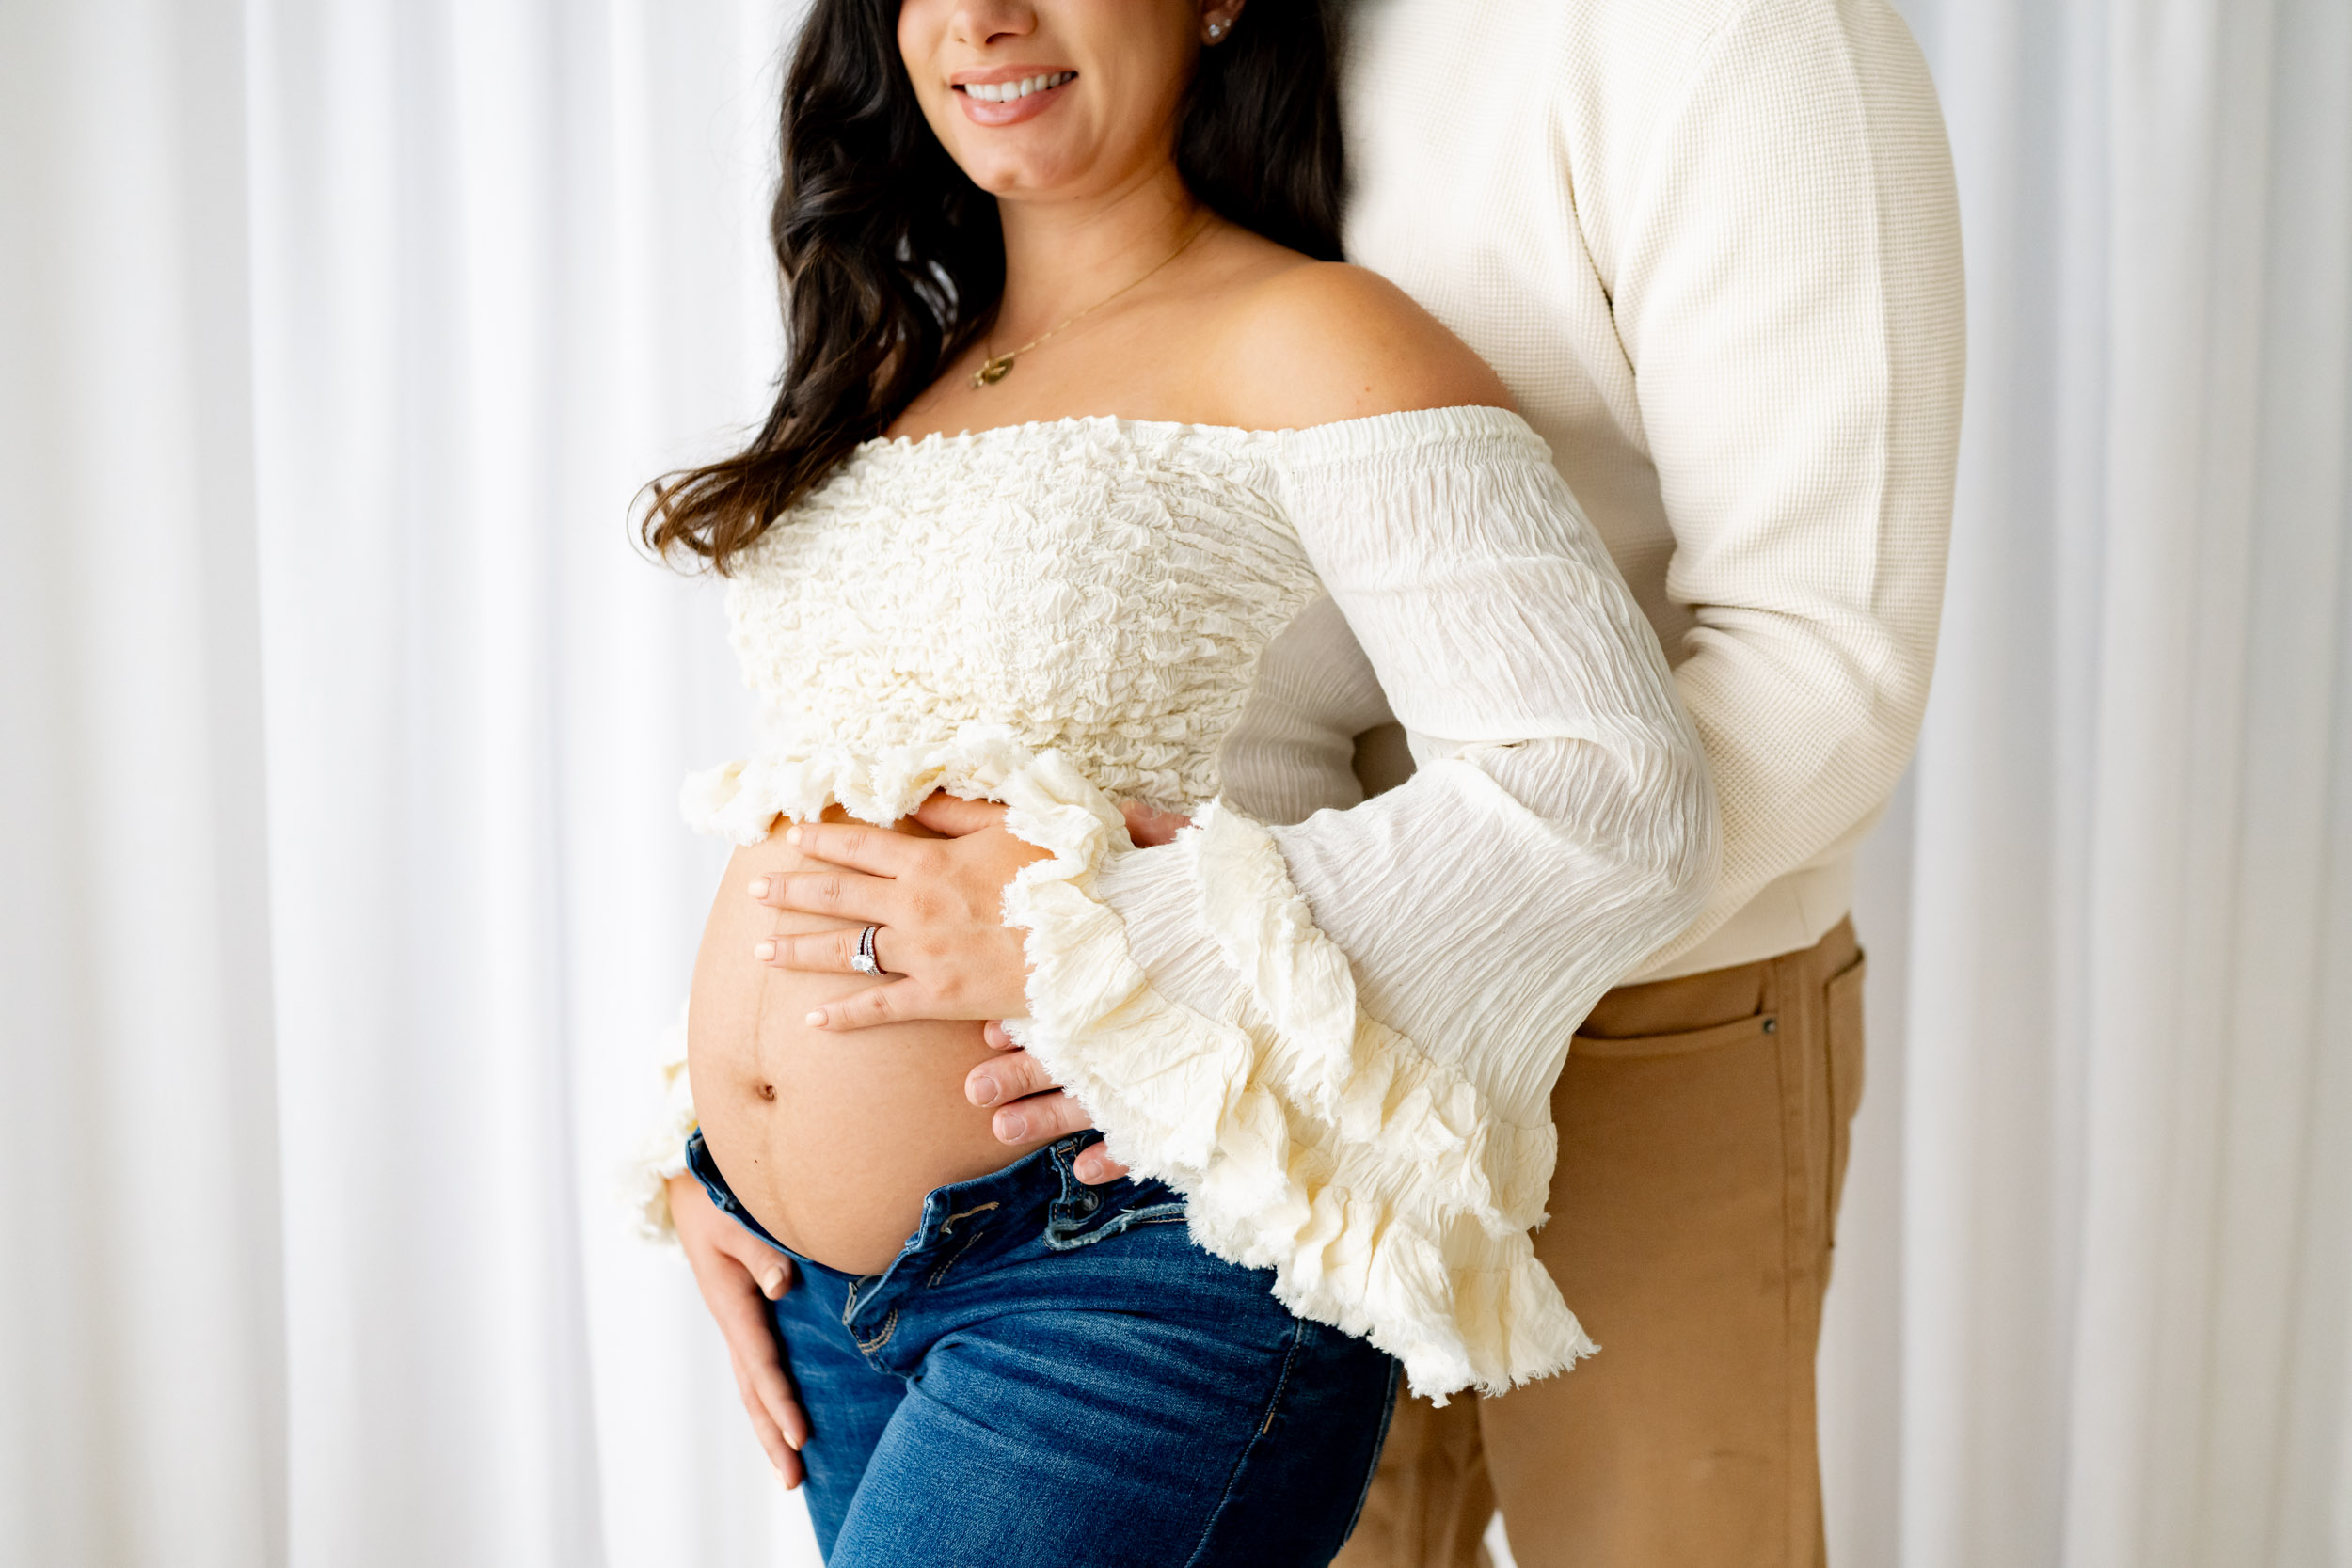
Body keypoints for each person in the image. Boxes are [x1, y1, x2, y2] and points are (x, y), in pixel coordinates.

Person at [626, 2, 1718, 1565]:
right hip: (823, 1298)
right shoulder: (891, 355)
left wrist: (1114, 939)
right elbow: (828, 769)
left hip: (1124, 1262)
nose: (990, 18)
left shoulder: (1316, 333)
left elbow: (1608, 796)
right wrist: (710, 1147)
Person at [1318, 4, 1967, 1566]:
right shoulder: (1193, 28)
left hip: (1657, 994)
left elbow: (1826, 659)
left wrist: (1366, 947)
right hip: (1273, 1034)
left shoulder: (1740, 35)